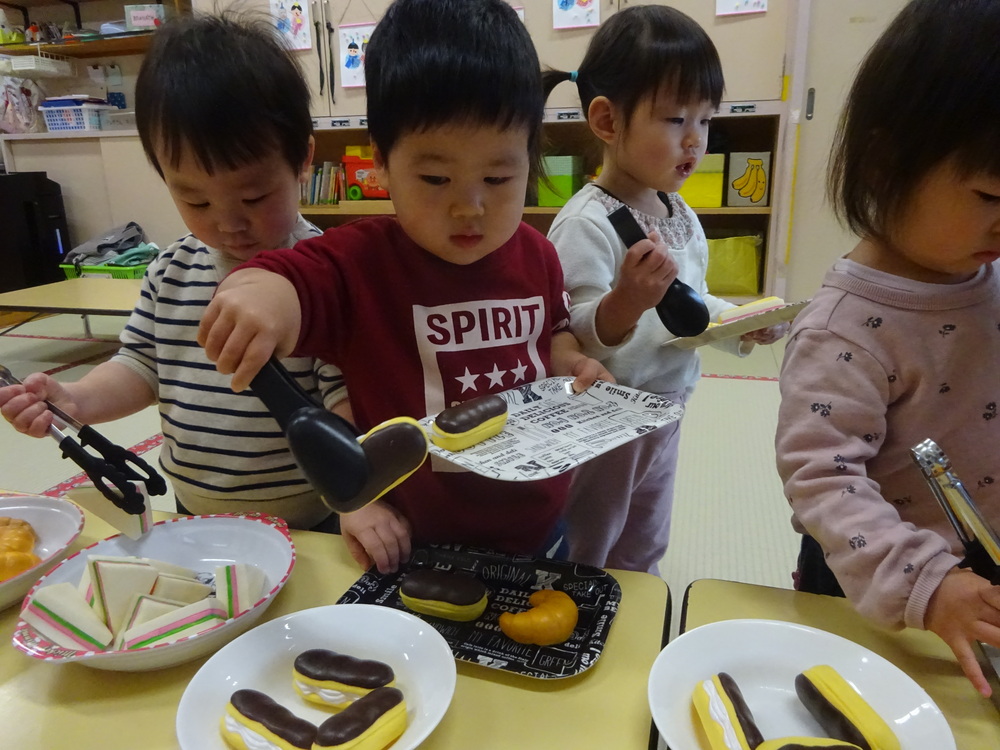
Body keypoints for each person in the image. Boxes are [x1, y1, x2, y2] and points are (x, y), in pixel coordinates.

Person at [197, 0, 611, 575]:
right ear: (381, 163)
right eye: (435, 177)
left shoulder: (539, 254)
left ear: (530, 160)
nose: (470, 206)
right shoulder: (359, 262)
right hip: (416, 538)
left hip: (539, 520)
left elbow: (554, 336)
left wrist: (572, 362)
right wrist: (260, 293)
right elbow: (289, 281)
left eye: (498, 176)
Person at [0, 12, 349, 530]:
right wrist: (76, 399)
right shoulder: (172, 269)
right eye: (194, 199)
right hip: (193, 515)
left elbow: (347, 406)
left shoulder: (321, 278)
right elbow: (141, 366)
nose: (229, 222)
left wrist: (361, 498)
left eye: (254, 196)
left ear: (303, 161)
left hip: (308, 520)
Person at [775, 0, 1000, 697]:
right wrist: (927, 585)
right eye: (991, 192)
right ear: (884, 163)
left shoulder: (984, 270)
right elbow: (822, 477)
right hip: (883, 582)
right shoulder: (846, 328)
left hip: (980, 561)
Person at [543, 5, 787, 574]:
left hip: (667, 406)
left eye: (705, 120)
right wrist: (625, 301)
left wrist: (742, 323)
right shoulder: (585, 223)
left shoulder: (680, 213)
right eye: (677, 120)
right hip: (605, 418)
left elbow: (689, 307)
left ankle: (638, 600)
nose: (695, 141)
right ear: (606, 122)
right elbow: (569, 333)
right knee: (591, 536)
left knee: (647, 533)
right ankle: (581, 601)